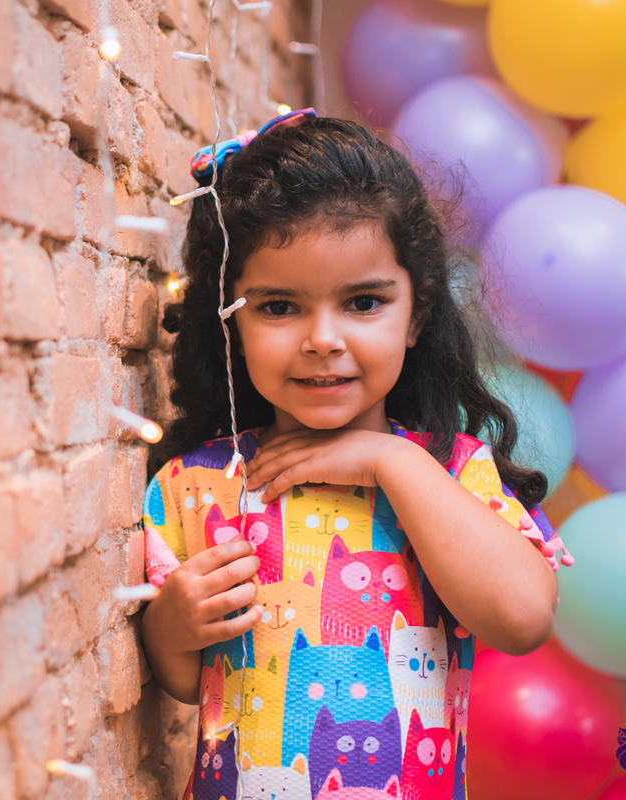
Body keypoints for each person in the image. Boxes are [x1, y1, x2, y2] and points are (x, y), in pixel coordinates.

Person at [138, 112, 574, 800]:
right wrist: (169, 627)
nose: (323, 339)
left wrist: (388, 462)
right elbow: (191, 683)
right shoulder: (199, 485)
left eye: (363, 302)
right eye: (279, 307)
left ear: (417, 314)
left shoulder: (448, 471)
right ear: (231, 317)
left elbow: (522, 620)